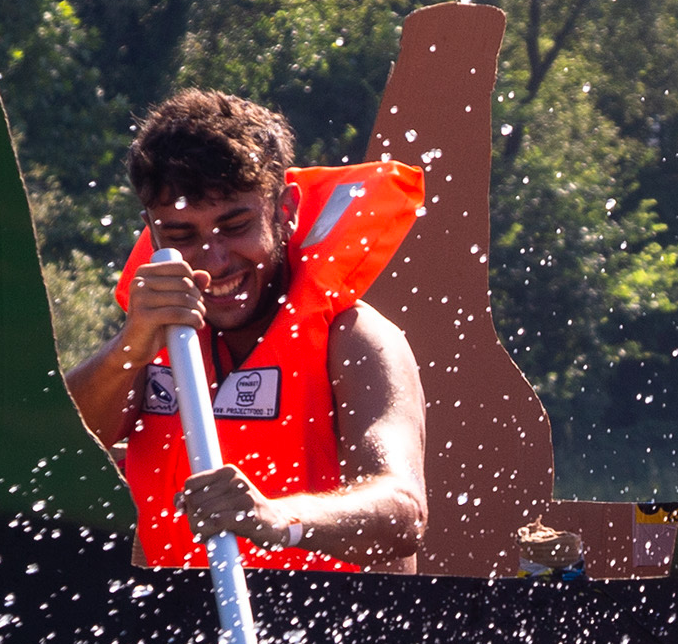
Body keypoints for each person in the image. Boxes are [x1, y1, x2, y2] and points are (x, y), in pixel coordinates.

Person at [65, 87, 432, 573]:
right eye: (181, 235)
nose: (214, 261)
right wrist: (129, 346)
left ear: (285, 210)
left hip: (326, 633)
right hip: (179, 630)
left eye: (235, 225)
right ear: (153, 233)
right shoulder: (147, 340)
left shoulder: (358, 340)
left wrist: (278, 517)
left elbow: (403, 513)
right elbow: (53, 454)